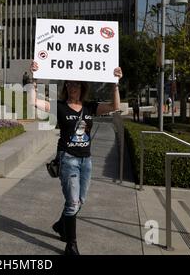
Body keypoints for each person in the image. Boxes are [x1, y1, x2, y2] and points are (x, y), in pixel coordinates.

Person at [29, 61, 123, 255]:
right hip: (68, 159)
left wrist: (115, 84)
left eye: (76, 84)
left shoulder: (90, 107)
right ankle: (71, 245)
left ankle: (61, 225)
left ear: (82, 87)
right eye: (69, 84)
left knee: (80, 201)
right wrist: (34, 80)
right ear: (66, 88)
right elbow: (34, 102)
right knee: (72, 202)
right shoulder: (60, 106)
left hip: (86, 161)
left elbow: (115, 106)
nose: (72, 87)